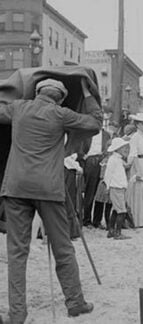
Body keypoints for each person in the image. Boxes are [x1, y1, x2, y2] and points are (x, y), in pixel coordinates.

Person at [0, 78, 102, 323]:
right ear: (61, 98)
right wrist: (88, 94)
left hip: (16, 187)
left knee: (16, 253)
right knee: (63, 248)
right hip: (49, 188)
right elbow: (96, 122)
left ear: (36, 93)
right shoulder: (62, 114)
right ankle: (75, 302)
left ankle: (17, 314)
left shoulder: (19, 107)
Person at [82, 124, 111, 227]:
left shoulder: (107, 135)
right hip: (90, 161)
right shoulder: (87, 133)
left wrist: (105, 158)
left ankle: (97, 221)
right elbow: (80, 147)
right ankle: (86, 219)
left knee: (101, 191)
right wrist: (83, 157)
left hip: (102, 161)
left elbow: (109, 148)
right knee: (90, 191)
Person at [104, 137, 131, 239]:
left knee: (116, 209)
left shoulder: (117, 160)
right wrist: (107, 187)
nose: (125, 149)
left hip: (119, 187)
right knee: (122, 211)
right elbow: (108, 174)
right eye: (123, 147)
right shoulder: (113, 160)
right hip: (116, 187)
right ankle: (117, 232)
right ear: (117, 149)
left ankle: (111, 230)